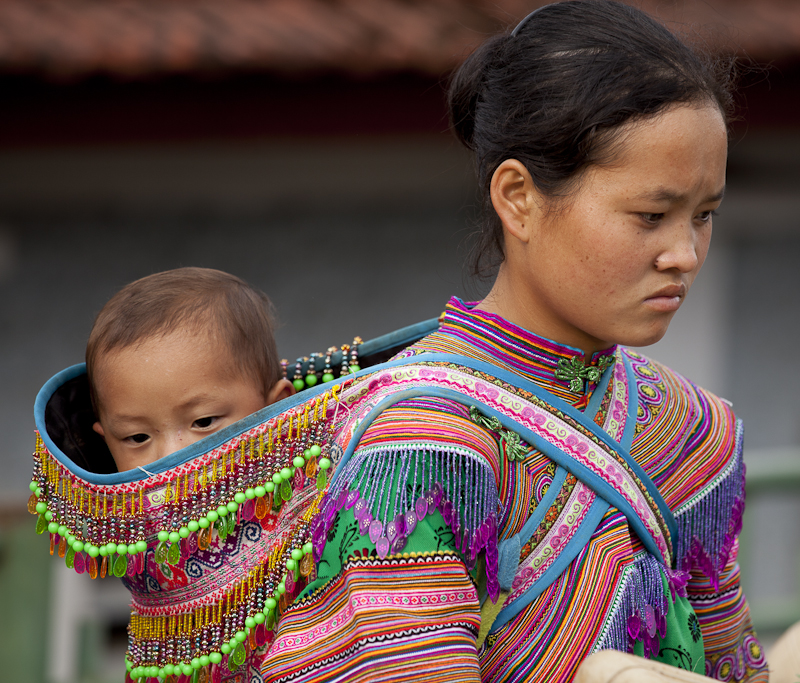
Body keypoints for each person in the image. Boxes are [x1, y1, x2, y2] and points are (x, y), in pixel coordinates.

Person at [260, 2, 766, 681]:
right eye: (651, 215)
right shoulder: (421, 440)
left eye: (703, 215)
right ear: (519, 198)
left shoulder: (689, 430)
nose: (684, 253)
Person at [85, 267, 296, 473]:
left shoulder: (320, 499)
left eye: (203, 422)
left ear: (279, 410)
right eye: (138, 437)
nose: (172, 459)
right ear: (106, 442)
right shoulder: (91, 507)